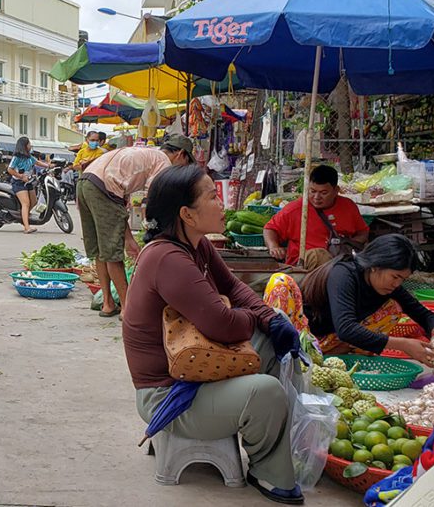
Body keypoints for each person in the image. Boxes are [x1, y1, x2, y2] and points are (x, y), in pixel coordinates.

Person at [123, 164, 304, 505]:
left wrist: (268, 317)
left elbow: (233, 287)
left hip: (194, 370)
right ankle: (268, 467)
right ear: (186, 214)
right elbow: (222, 323)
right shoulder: (168, 258)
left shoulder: (196, 245)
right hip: (171, 396)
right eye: (211, 196)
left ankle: (273, 438)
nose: (221, 203)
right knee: (266, 392)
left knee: (275, 328)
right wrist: (258, 319)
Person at [77, 135, 195, 317]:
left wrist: (129, 238)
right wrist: (154, 229)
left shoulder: (147, 154)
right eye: (186, 163)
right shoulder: (163, 162)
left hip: (86, 183)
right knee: (112, 253)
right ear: (180, 154)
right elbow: (152, 198)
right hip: (103, 187)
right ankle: (127, 309)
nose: (182, 169)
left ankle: (108, 304)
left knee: (101, 250)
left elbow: (118, 205)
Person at [300, 234, 434, 366]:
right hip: (306, 337)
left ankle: (337, 355)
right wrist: (403, 344)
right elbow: (346, 329)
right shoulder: (343, 274)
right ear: (375, 266)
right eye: (395, 277)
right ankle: (319, 355)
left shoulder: (387, 286)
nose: (397, 284)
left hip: (334, 338)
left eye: (402, 279)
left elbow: (425, 315)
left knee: (393, 307)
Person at [263, 165, 369, 270]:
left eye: (323, 193)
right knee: (319, 255)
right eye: (312, 191)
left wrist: (347, 245)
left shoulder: (348, 206)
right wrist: (274, 246)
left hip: (341, 260)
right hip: (304, 266)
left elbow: (363, 232)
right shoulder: (295, 209)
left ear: (336, 190)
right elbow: (269, 229)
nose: (316, 197)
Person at [7, 136, 51, 234]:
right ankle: (26, 227)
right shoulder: (16, 157)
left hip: (29, 182)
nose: (30, 146)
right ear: (24, 146)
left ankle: (23, 216)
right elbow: (10, 170)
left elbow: (38, 162)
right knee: (26, 203)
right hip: (18, 183)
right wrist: (21, 176)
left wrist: (49, 165)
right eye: (29, 144)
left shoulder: (29, 157)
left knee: (34, 201)